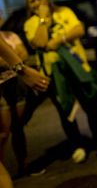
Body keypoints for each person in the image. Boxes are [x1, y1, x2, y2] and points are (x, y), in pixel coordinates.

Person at [23, 0, 97, 164]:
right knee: (66, 110)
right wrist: (44, 19)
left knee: (92, 105)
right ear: (29, 6)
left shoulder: (64, 12)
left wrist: (59, 39)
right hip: (54, 74)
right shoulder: (30, 24)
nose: (37, 3)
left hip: (78, 68)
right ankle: (77, 146)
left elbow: (78, 29)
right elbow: (40, 42)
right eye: (32, 1)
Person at [0, 30, 49, 188]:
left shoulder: (10, 35)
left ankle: (23, 163)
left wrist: (22, 70)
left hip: (12, 83)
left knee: (14, 128)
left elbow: (20, 53)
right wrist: (23, 70)